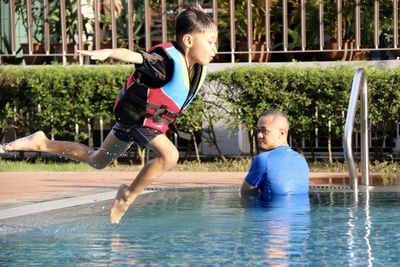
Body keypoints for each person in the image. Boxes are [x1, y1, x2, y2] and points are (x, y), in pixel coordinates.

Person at [2, 6, 218, 224]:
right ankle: (127, 196)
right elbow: (136, 57)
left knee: (97, 160)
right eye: (210, 42)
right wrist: (110, 52)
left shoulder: (195, 69)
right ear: (189, 40)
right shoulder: (164, 62)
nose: (214, 49)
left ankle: (43, 143)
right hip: (138, 120)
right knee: (170, 155)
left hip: (141, 122)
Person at [240, 109, 309, 200]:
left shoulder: (263, 159)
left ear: (282, 133)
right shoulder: (301, 160)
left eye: (264, 131)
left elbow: (246, 195)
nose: (259, 135)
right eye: (258, 131)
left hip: (270, 213)